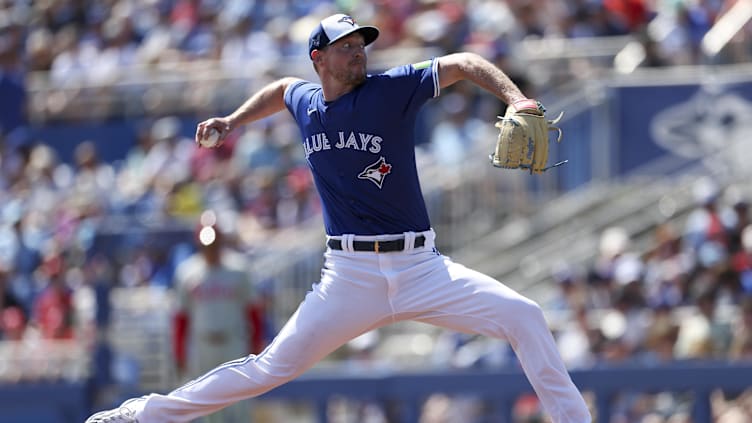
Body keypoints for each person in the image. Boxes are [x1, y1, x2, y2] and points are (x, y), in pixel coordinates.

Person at [86, 13, 591, 423]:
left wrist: (515, 97)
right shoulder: (307, 102)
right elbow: (281, 88)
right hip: (348, 276)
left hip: (420, 267)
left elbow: (461, 62)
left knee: (525, 315)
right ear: (319, 58)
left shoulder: (391, 90)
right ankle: (143, 415)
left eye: (361, 43)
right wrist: (234, 121)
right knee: (268, 369)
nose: (358, 52)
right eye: (345, 45)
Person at [171, 212, 264, 423]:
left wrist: (256, 343)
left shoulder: (239, 269)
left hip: (233, 343)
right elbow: (180, 318)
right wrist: (179, 353)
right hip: (202, 346)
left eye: (213, 244)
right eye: (206, 245)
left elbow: (254, 312)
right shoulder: (187, 272)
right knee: (207, 409)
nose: (210, 250)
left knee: (239, 406)